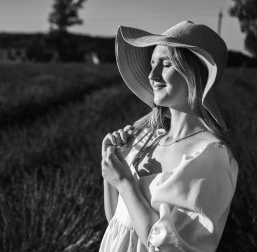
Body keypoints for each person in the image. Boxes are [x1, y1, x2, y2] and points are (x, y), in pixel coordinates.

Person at [100, 21, 239, 252]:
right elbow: (117, 224)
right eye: (152, 63)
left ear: (194, 73)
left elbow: (170, 248)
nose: (152, 75)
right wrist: (112, 166)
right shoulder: (148, 139)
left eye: (166, 64)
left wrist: (125, 183)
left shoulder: (208, 156)